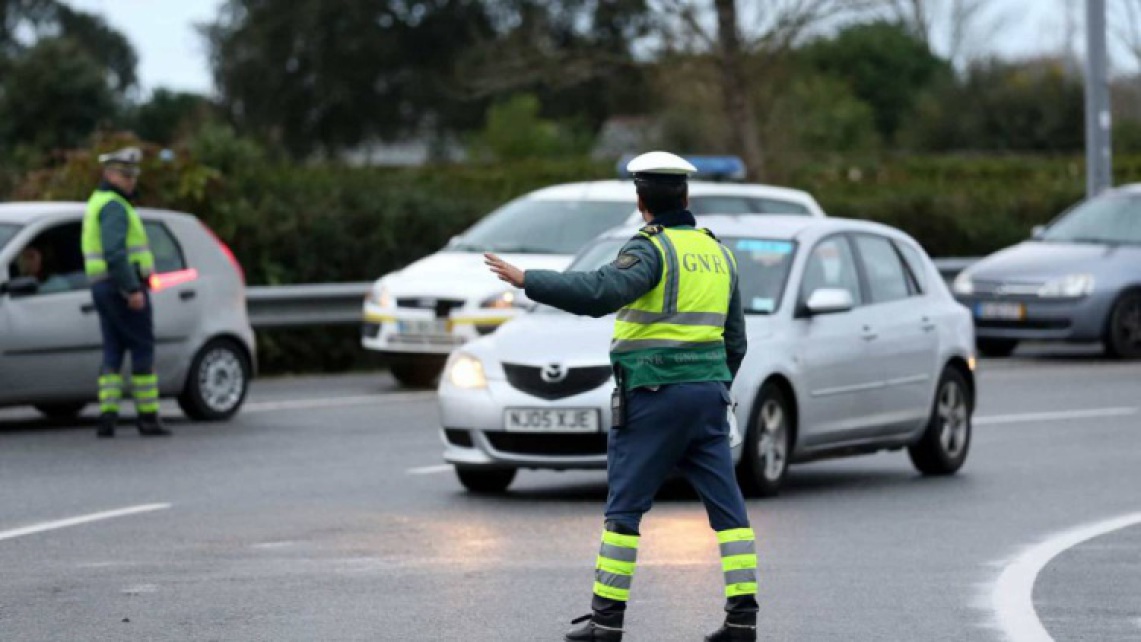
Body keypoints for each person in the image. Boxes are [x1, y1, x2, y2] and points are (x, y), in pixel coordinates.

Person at [484, 151, 757, 642]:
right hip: (708, 397)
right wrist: (715, 384)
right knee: (729, 512)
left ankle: (606, 621)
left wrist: (528, 281)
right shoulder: (718, 253)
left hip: (654, 396)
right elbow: (736, 341)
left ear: (640, 201)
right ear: (686, 197)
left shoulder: (651, 250)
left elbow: (600, 292)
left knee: (625, 510)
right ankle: (742, 620)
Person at [82, 146, 171, 438]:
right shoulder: (115, 207)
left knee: (113, 350)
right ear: (109, 174)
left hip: (102, 286)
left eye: (133, 175)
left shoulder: (98, 201)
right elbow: (115, 252)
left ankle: (108, 415)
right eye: (125, 175)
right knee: (142, 347)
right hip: (120, 286)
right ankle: (147, 417)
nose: (131, 180)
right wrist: (132, 288)